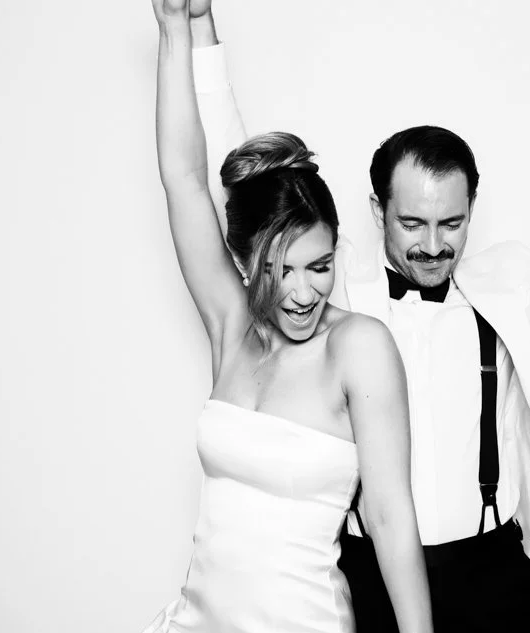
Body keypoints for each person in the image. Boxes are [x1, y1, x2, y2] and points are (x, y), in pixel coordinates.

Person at [187, 3, 530, 632]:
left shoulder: (511, 289)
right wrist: (201, 31)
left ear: (473, 207)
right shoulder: (333, 298)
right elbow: (250, 185)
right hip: (372, 578)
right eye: (412, 223)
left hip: (491, 574)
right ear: (376, 210)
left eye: (452, 223)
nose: (433, 245)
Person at [143, 2, 434, 633]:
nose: (304, 292)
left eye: (320, 265)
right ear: (246, 261)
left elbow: (389, 516)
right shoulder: (231, 328)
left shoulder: (357, 347)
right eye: (281, 270)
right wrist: (173, 26)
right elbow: (183, 177)